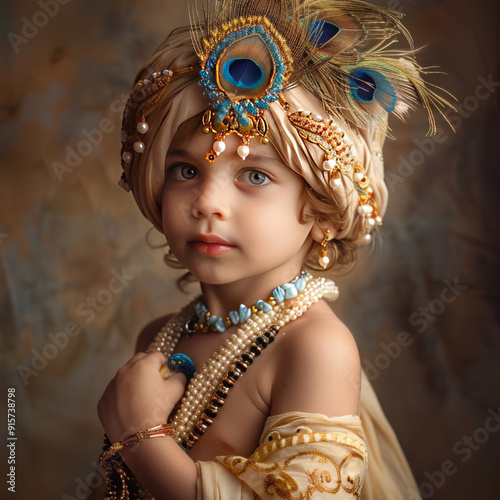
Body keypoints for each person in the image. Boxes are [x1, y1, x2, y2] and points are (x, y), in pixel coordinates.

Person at [97, 0, 451, 498]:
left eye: (255, 175)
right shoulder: (158, 338)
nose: (206, 203)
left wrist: (139, 434)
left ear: (323, 212)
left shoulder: (314, 350)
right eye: (186, 170)